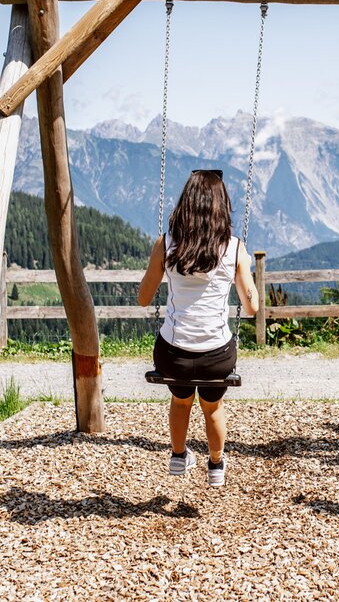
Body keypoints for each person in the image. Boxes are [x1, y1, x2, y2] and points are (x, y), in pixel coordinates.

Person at [138, 169, 259, 486]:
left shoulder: (167, 244)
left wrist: (162, 263)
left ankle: (178, 456)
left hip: (173, 353)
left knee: (180, 401)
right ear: (222, 207)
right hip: (216, 355)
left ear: (185, 204)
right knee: (212, 407)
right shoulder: (234, 248)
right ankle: (216, 465)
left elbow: (142, 298)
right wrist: (244, 278)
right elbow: (252, 306)